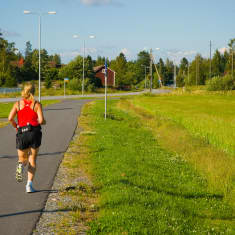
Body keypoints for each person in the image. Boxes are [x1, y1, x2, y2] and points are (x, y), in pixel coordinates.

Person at [8, 83, 46, 193]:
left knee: (22, 158)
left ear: (24, 91)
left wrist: (16, 126)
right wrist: (43, 122)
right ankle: (29, 185)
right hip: (34, 132)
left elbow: (10, 118)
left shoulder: (17, 104)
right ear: (33, 91)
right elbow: (41, 120)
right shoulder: (37, 104)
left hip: (22, 132)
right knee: (32, 159)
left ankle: (20, 165)